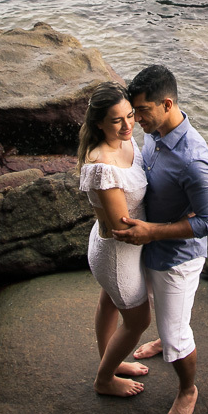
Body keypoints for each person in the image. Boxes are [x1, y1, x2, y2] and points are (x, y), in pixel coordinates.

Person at [113, 65, 208, 414]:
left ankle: (188, 389)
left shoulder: (194, 159)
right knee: (165, 319)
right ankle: (165, 334)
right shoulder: (154, 132)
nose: (135, 120)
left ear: (167, 103)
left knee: (177, 336)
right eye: (133, 111)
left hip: (176, 259)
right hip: (149, 246)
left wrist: (153, 232)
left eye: (141, 111)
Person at [77, 81, 151, 397]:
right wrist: (176, 228)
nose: (127, 125)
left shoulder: (127, 140)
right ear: (98, 124)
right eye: (117, 120)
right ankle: (104, 380)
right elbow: (124, 225)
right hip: (118, 253)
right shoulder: (102, 164)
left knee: (109, 303)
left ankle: (110, 359)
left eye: (130, 115)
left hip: (120, 249)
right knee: (137, 322)